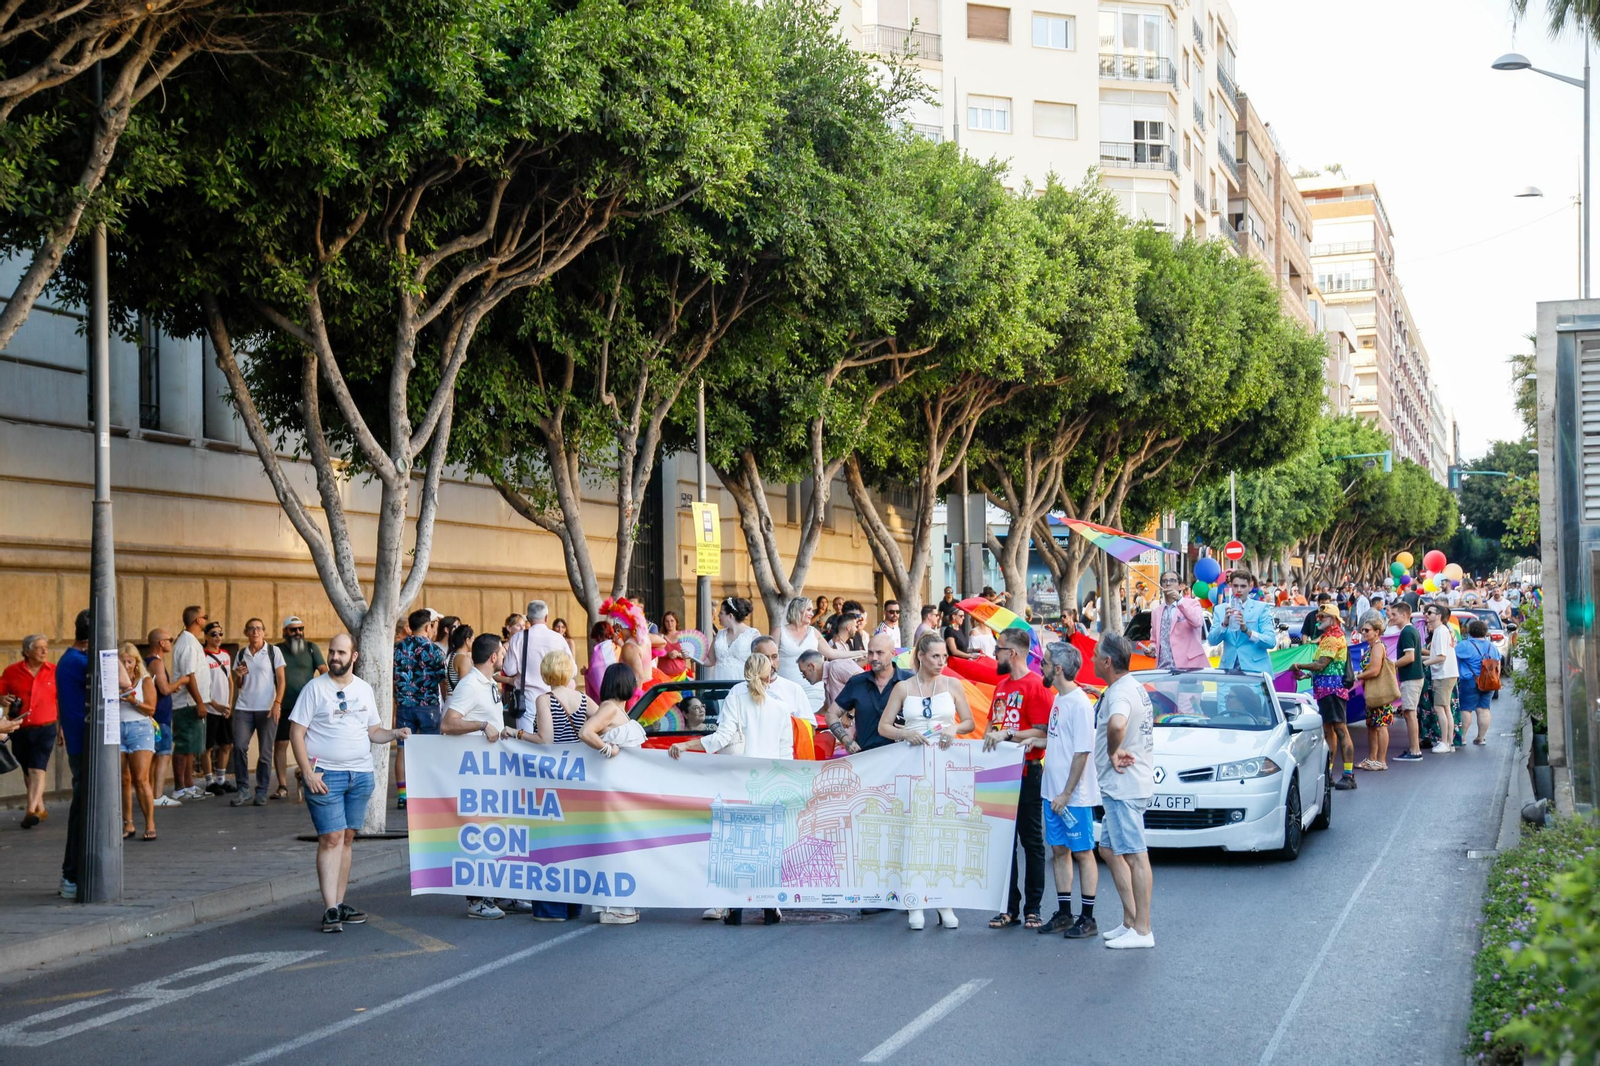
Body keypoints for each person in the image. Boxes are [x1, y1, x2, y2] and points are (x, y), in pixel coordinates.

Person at [289, 633, 410, 933]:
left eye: (341, 653)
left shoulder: (364, 689)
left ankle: (339, 903)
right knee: (330, 838)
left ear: (354, 657)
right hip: (325, 776)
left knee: (346, 838)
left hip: (360, 776)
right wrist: (307, 772)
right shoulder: (314, 689)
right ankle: (330, 908)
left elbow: (374, 731)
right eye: (332, 652)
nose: (334, 657)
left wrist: (394, 734)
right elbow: (296, 733)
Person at [669, 652, 792, 926]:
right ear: (769, 674)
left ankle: (734, 906)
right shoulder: (781, 707)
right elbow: (786, 755)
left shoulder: (736, 695)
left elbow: (723, 736)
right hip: (769, 784)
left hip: (739, 781)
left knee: (735, 844)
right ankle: (769, 905)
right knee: (765, 846)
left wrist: (687, 745)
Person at [878, 631, 974, 931]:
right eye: (936, 656)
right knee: (914, 831)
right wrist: (905, 733)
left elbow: (969, 721)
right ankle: (914, 901)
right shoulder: (903, 687)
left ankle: (944, 900)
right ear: (920, 655)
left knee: (943, 831)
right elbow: (883, 726)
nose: (941, 662)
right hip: (911, 764)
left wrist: (954, 729)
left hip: (944, 765)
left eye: (945, 657)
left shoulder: (953, 684)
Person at [440, 632, 513, 921]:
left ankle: (498, 893)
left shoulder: (488, 683)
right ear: (493, 656)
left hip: (491, 771)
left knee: (496, 831)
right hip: (474, 774)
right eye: (503, 653)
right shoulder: (470, 684)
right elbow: (447, 724)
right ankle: (477, 900)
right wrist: (482, 725)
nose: (505, 657)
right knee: (480, 832)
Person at [984, 627, 1052, 931]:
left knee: (1032, 841)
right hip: (998, 776)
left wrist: (1009, 736)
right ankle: (1008, 908)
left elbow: (1045, 732)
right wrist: (990, 737)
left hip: (1027, 772)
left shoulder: (1036, 686)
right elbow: (990, 726)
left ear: (1012, 653)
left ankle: (1033, 908)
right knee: (1002, 844)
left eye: (998, 649)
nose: (994, 654)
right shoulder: (1000, 687)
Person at [1092, 633, 1156, 949]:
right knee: (1108, 849)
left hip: (1124, 786)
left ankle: (1143, 930)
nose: (1090, 659)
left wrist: (1114, 750)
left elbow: (1117, 725)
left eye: (1094, 655)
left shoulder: (1119, 695)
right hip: (1122, 785)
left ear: (1107, 662)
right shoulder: (1127, 687)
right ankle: (1130, 920)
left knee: (1134, 854)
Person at [1037, 641, 1100, 939]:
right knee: (1059, 850)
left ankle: (1087, 918)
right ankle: (1064, 912)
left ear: (1058, 669)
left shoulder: (1080, 704)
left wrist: (1066, 794)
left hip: (1073, 797)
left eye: (1046, 663)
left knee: (1083, 853)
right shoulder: (1059, 699)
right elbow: (1058, 742)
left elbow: (1082, 752)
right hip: (1052, 794)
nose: (1043, 666)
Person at [1290, 604, 1357, 791]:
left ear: (1334, 619)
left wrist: (1299, 665)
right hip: (1325, 691)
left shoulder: (1333, 638)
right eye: (1318, 616)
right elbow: (1325, 668)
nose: (1318, 619)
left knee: (1340, 729)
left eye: (1323, 616)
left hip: (1332, 692)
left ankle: (1348, 775)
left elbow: (1321, 664)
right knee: (1329, 731)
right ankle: (1329, 774)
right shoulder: (1327, 637)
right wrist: (1306, 674)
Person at [393, 607, 447, 809]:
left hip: (404, 706)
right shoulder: (434, 650)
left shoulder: (397, 648)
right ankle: (426, 792)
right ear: (427, 626)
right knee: (429, 751)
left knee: (402, 750)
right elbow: (442, 682)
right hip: (428, 707)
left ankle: (402, 795)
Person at [2, 634, 58, 827]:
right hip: (18, 728)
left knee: (37, 769)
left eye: (46, 647)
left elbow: (61, 701)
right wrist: (3, 699)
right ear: (26, 651)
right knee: (28, 770)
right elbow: (0, 693)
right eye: (39, 648)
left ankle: (29, 811)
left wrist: (63, 729)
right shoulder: (11, 672)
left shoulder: (54, 671)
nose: (44, 651)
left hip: (46, 727)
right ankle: (39, 808)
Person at [228, 618, 285, 806]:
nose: (255, 632)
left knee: (265, 752)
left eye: (259, 629)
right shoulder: (242, 653)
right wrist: (239, 676)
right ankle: (243, 788)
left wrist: (277, 702)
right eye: (251, 629)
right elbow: (239, 684)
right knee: (238, 747)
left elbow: (282, 681)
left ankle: (261, 790)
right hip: (244, 707)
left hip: (267, 709)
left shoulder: (273, 652)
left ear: (264, 632)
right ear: (246, 632)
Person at [54, 610, 91, 898]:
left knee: (82, 810)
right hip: (85, 746)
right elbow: (126, 682)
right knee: (82, 812)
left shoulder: (68, 659)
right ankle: (71, 875)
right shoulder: (80, 661)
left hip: (82, 744)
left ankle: (73, 875)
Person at [827, 632, 911, 756]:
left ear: (893, 654)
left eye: (880, 653)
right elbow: (831, 714)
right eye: (870, 653)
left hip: (902, 757)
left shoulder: (910, 681)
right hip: (865, 758)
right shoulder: (857, 682)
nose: (874, 658)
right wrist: (847, 740)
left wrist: (911, 731)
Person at [273, 617, 326, 800]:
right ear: (285, 631)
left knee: (311, 744)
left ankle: (309, 777)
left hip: (308, 707)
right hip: (284, 705)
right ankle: (282, 786)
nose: (298, 633)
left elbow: (323, 671)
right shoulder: (277, 650)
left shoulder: (311, 647)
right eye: (293, 630)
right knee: (280, 744)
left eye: (300, 629)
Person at [117, 642, 159, 840]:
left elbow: (151, 709)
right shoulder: (110, 682)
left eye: (129, 661)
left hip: (140, 729)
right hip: (116, 729)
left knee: (140, 779)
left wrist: (134, 701)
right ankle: (128, 823)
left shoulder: (144, 681)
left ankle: (150, 822)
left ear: (136, 663)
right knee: (123, 780)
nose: (125, 665)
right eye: (122, 662)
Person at [169, 606, 211, 801]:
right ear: (197, 621)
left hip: (192, 703)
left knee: (190, 748)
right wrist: (200, 703)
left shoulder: (191, 641)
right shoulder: (187, 643)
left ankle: (189, 785)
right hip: (186, 704)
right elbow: (189, 676)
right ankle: (179, 787)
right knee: (184, 746)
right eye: (205, 617)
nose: (206, 620)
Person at [775, 596, 858, 685]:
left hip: (813, 688)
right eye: (809, 610)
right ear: (798, 610)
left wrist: (860, 653)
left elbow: (832, 653)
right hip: (786, 686)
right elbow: (770, 658)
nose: (812, 614)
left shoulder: (813, 632)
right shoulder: (779, 631)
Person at [1210, 569, 1276, 674]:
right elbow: (1212, 641)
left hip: (1255, 672)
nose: (1239, 590)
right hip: (1228, 672)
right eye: (1235, 586)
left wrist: (1247, 631)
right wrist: (1224, 625)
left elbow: (1271, 642)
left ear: (1250, 586)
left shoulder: (1261, 608)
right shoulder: (1220, 609)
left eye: (1243, 586)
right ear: (1230, 586)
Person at [144, 629, 181, 807]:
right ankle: (158, 796)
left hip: (154, 716)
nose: (170, 643)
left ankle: (151, 794)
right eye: (169, 639)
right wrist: (181, 682)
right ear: (160, 643)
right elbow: (165, 689)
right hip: (160, 717)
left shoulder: (147, 661)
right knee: (163, 755)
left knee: (153, 757)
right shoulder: (157, 663)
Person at [1353, 612, 1395, 771]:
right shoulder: (1372, 647)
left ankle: (1381, 761)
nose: (1363, 633)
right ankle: (1372, 759)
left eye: (1367, 630)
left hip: (1380, 693)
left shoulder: (1377, 647)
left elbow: (1375, 671)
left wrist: (1358, 676)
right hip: (1372, 693)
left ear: (1377, 632)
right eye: (1362, 630)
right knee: (1372, 725)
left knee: (1381, 726)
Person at [1386, 601, 1426, 762]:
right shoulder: (1410, 631)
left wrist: (1391, 665)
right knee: (1410, 713)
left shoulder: (1407, 632)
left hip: (1411, 677)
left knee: (1410, 713)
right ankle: (1413, 748)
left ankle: (1415, 750)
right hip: (1412, 677)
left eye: (1395, 614)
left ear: (1404, 615)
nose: (1392, 617)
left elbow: (1410, 657)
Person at [201, 621, 235, 794]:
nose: (218, 637)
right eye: (214, 634)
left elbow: (230, 681)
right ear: (206, 636)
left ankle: (221, 779)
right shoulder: (202, 657)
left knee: (226, 744)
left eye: (220, 634)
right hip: (210, 709)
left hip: (224, 709)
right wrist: (215, 705)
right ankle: (209, 781)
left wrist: (228, 704)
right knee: (207, 747)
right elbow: (200, 686)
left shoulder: (226, 656)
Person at [1456, 618, 1501, 745]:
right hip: (1489, 681)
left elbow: (1451, 656)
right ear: (1485, 632)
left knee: (1466, 709)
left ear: (1469, 631)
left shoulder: (1464, 645)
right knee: (1484, 709)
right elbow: (1498, 663)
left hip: (1470, 680)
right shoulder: (1492, 646)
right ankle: (1481, 738)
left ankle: (1462, 737)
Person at [1422, 603, 1459, 754]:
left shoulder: (1441, 631)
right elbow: (1436, 655)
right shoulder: (1441, 631)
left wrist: (1425, 662)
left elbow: (1441, 656)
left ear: (1438, 616)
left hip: (1444, 674)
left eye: (1429, 612)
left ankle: (1445, 742)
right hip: (1445, 673)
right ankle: (1448, 742)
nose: (1426, 615)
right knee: (1445, 708)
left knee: (1440, 707)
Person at [1151, 571, 1208, 670]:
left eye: (1172, 581)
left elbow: (1197, 622)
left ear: (1180, 586)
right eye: (1164, 581)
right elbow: (1154, 639)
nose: (1168, 584)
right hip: (1163, 668)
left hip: (1189, 668)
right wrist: (1152, 648)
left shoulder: (1192, 604)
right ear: (1161, 586)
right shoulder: (1156, 612)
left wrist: (1179, 600)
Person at [704, 597, 757, 682]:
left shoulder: (752, 635)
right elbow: (710, 660)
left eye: (721, 613)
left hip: (741, 682)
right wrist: (692, 655)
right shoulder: (719, 635)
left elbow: (759, 664)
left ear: (730, 616)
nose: (718, 616)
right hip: (718, 681)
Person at [656, 611, 689, 680]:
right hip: (663, 677)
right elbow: (655, 652)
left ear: (676, 622)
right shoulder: (660, 636)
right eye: (667, 621)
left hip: (681, 676)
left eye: (672, 621)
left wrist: (678, 654)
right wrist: (667, 654)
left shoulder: (683, 636)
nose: (670, 624)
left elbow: (689, 654)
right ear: (664, 623)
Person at [795, 649, 827, 713]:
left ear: (812, 667)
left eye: (803, 672)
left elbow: (853, 683)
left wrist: (849, 715)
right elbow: (826, 708)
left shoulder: (835, 668)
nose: (804, 677)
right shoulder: (827, 683)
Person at [445, 623, 474, 692]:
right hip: (459, 700)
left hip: (452, 698)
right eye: (473, 640)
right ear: (467, 641)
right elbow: (465, 687)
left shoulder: (453, 655)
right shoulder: (463, 659)